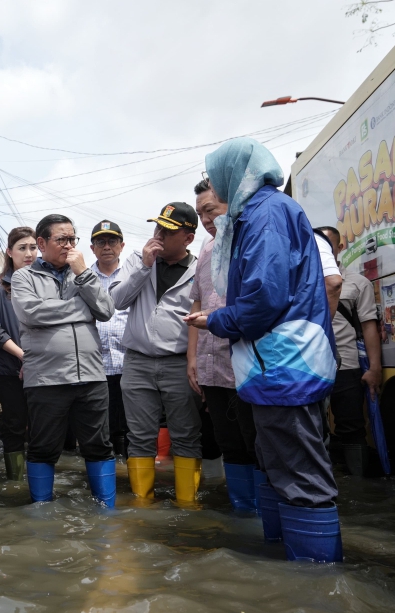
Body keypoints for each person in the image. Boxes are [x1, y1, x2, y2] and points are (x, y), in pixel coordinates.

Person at [186, 137, 341, 562]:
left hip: (284, 365)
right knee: (276, 471)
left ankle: (316, 578)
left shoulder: (265, 213)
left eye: (219, 180)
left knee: (299, 475)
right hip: (273, 366)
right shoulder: (259, 213)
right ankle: (284, 567)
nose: (216, 189)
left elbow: (263, 300)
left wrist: (215, 320)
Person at [11, 214, 116, 505]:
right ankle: (41, 511)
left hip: (92, 376)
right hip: (47, 378)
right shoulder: (24, 276)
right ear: (42, 243)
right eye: (61, 239)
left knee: (99, 446)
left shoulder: (83, 274)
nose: (69, 246)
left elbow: (107, 310)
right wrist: (82, 309)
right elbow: (31, 313)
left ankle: (107, 510)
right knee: (44, 447)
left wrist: (83, 274)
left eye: (72, 239)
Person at [109, 202, 201, 504]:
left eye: (169, 231)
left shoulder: (200, 268)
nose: (159, 234)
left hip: (179, 363)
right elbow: (117, 302)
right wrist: (145, 267)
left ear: (188, 238)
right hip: (137, 361)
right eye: (158, 226)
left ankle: (188, 503)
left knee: (186, 435)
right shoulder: (138, 259)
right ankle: (141, 504)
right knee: (139, 436)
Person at [188, 179, 259, 509]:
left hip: (248, 363)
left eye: (211, 210)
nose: (206, 219)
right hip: (211, 364)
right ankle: (243, 510)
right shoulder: (205, 248)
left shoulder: (252, 240)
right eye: (201, 213)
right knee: (228, 442)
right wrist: (192, 358)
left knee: (257, 442)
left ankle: (266, 512)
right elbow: (197, 302)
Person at [319, 226, 382, 477]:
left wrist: (375, 369)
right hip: (310, 368)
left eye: (328, 246)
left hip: (347, 366)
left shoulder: (358, 283)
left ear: (339, 248)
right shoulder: (299, 283)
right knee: (314, 428)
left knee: (352, 426)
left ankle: (357, 486)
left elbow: (369, 327)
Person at [0, 227, 38, 481]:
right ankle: (15, 482)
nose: (29, 254)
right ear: (9, 251)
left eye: (33, 248)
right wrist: (22, 355)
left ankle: (40, 481)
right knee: (13, 426)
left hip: (42, 367)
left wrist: (34, 357)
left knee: (41, 427)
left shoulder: (44, 281)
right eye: (22, 248)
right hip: (8, 368)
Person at [89, 220, 130, 459]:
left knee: (127, 429)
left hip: (128, 365)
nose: (107, 247)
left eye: (112, 241)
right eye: (100, 242)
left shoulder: (132, 276)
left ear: (121, 245)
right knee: (98, 429)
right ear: (92, 248)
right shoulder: (81, 278)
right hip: (95, 368)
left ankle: (126, 476)